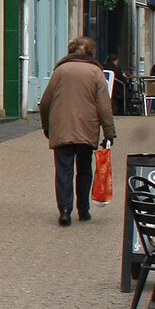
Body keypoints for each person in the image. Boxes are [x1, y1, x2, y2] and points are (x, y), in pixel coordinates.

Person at [38, 35, 115, 226]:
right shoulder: (96, 72)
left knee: (63, 170)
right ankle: (83, 209)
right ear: (90, 53)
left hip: (62, 127)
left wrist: (47, 126)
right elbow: (104, 106)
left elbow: (45, 102)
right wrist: (109, 132)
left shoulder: (60, 71)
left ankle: (64, 210)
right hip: (87, 127)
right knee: (84, 169)